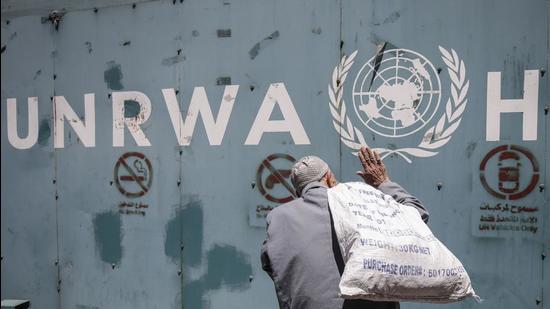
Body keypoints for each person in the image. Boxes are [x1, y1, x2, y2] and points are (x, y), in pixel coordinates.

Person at [260, 147, 429, 309]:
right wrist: (383, 183)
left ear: (298, 191)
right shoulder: (360, 203)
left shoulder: (278, 217)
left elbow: (270, 263)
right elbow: (417, 216)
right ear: (328, 178)